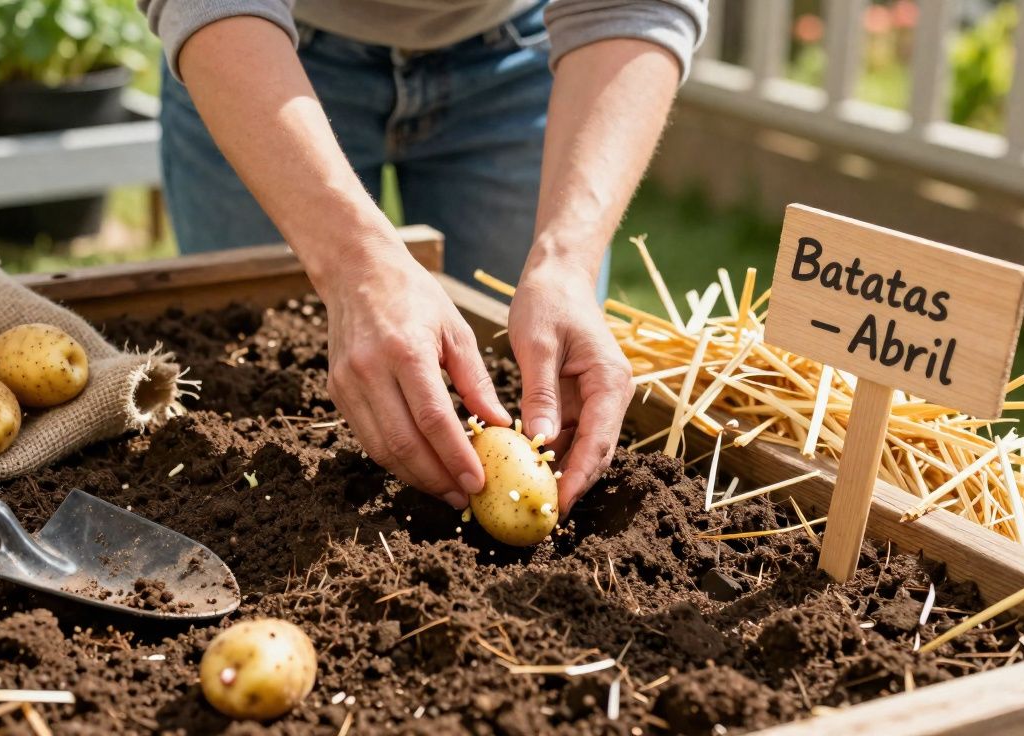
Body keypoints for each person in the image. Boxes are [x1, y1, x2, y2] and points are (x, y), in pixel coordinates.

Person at [139, 0, 705, 515]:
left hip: (526, 55)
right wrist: (352, 260)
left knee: (547, 381)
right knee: (230, 398)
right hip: (258, 43)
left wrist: (567, 261)